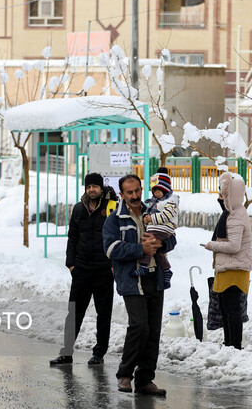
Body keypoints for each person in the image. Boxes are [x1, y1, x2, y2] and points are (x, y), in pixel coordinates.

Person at [102, 174, 177, 396]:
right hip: (131, 279)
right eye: (129, 192)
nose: (135, 196)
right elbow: (111, 249)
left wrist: (161, 243)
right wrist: (140, 250)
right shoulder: (115, 219)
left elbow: (172, 237)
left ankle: (145, 380)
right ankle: (125, 375)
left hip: (155, 277)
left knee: (153, 331)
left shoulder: (154, 212)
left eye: (137, 191)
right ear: (122, 195)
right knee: (139, 326)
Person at [50, 173, 118, 366]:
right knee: (74, 313)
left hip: (104, 269)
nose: (92, 190)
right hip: (81, 270)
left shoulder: (111, 207)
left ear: (101, 188)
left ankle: (99, 353)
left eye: (95, 186)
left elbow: (118, 236)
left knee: (103, 313)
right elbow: (72, 237)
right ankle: (66, 353)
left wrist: (114, 264)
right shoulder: (79, 209)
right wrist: (71, 263)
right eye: (89, 187)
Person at [203, 172, 252, 350]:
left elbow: (234, 246)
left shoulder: (236, 216)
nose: (219, 198)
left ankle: (235, 345)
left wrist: (212, 246)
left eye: (222, 195)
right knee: (225, 306)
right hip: (228, 266)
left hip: (235, 267)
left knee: (231, 308)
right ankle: (229, 343)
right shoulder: (230, 213)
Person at [131, 167, 179, 288]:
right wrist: (147, 216)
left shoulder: (171, 201)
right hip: (155, 228)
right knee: (155, 248)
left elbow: (166, 217)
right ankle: (167, 270)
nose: (157, 193)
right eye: (155, 191)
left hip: (163, 229)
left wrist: (150, 219)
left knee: (150, 244)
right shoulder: (152, 202)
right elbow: (148, 212)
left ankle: (144, 266)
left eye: (160, 191)